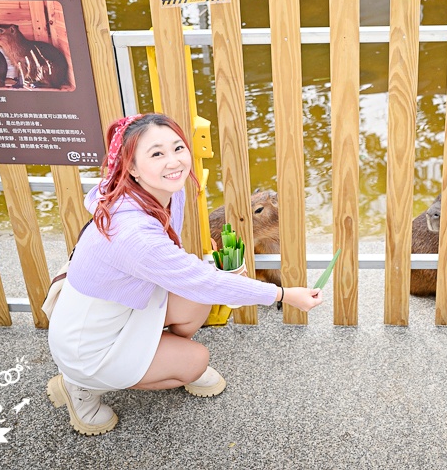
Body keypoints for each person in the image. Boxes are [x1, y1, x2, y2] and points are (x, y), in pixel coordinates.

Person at [47, 113, 324, 435]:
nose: (174, 161)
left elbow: (194, 279)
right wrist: (286, 295)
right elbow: (204, 280)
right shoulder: (133, 231)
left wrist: (227, 280)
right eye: (156, 154)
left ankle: (158, 353)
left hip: (127, 308)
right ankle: (80, 387)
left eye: (178, 148)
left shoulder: (164, 192)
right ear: (131, 167)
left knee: (195, 300)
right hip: (91, 342)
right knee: (196, 361)